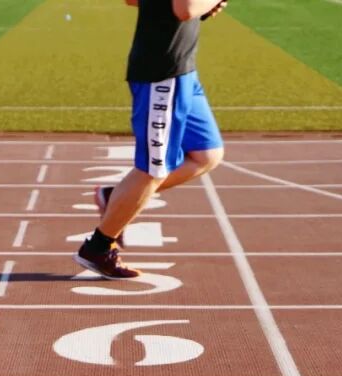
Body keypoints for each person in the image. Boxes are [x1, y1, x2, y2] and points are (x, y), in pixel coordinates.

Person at [75, 0, 228, 279]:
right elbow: (184, 10)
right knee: (154, 169)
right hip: (163, 73)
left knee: (206, 154)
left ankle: (115, 196)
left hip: (181, 68)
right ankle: (97, 248)